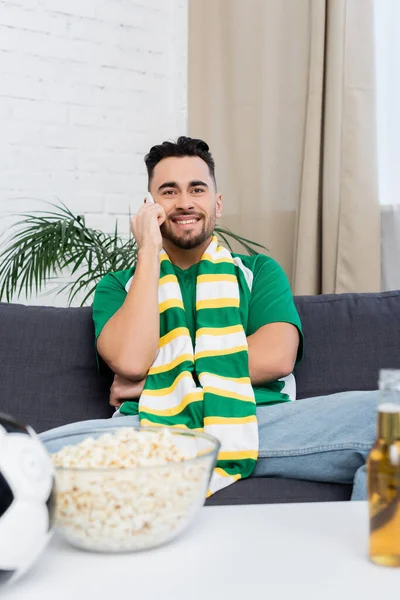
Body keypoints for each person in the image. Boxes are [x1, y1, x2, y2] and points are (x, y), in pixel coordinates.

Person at [40, 136, 378, 498]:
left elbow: (277, 357)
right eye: (169, 192)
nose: (185, 202)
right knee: (24, 454)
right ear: (148, 207)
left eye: (197, 189)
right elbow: (131, 362)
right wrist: (148, 250)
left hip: (254, 420)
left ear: (216, 203)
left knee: (387, 416)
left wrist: (163, 380)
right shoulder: (119, 287)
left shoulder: (258, 271)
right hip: (151, 426)